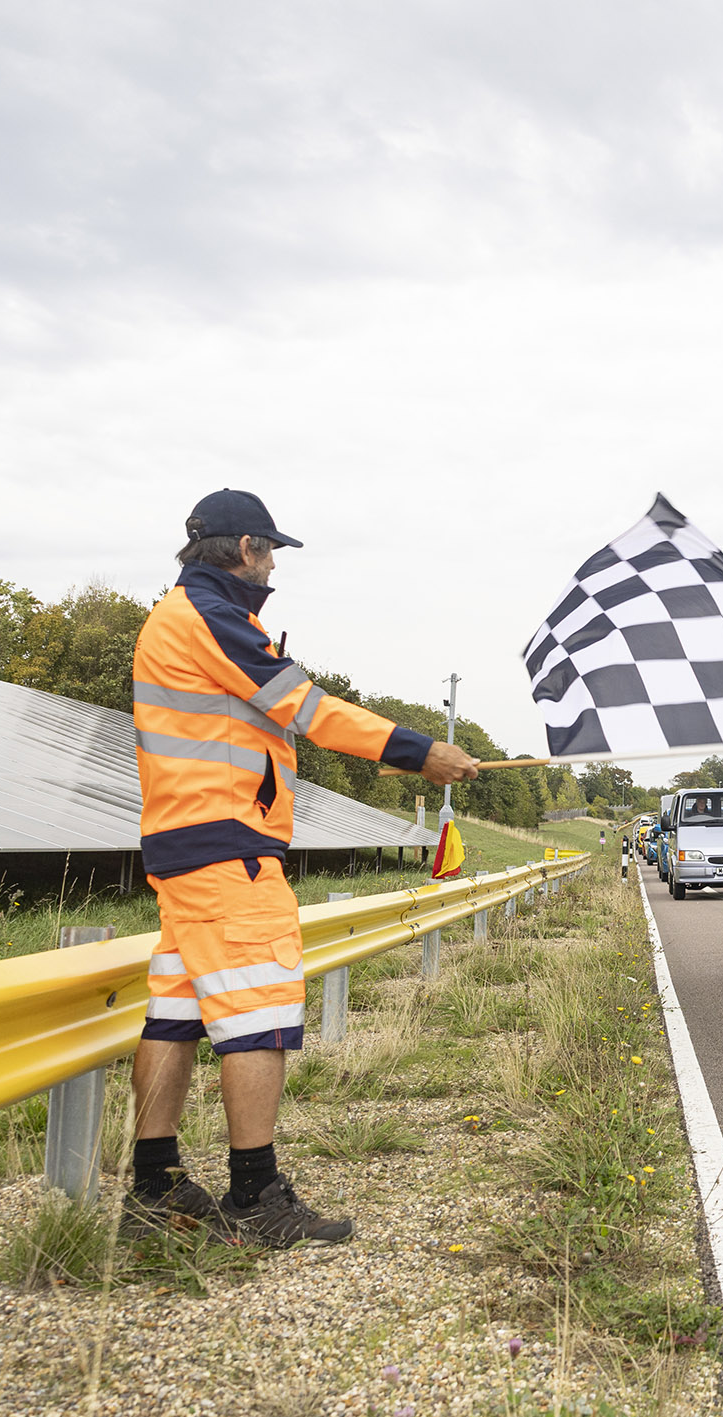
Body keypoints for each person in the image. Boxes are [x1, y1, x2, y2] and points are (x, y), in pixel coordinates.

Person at [127, 490, 480, 1247]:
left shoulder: (183, 615)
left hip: (186, 846)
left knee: (178, 1012)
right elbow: (306, 707)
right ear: (245, 546)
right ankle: (255, 1194)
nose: (275, 564)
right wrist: (422, 752)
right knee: (258, 1016)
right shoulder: (209, 618)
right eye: (271, 550)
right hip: (228, 851)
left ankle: (152, 1184)